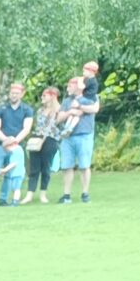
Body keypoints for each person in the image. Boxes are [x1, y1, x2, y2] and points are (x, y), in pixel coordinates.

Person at [55, 62, 102, 203]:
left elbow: (94, 109)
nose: (68, 88)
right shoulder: (66, 101)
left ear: (77, 86)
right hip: (68, 138)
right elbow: (58, 119)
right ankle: (66, 195)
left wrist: (80, 107)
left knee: (84, 166)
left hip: (84, 135)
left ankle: (85, 193)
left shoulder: (92, 97)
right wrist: (70, 111)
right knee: (66, 166)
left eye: (70, 86)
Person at [0, 82, 33, 206]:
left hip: (16, 147)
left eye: (17, 93)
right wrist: (5, 140)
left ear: (22, 94)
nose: (14, 95)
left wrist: (15, 141)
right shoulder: (1, 109)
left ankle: (3, 200)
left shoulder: (27, 110)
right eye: (12, 93)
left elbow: (26, 128)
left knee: (10, 174)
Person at [28, 87, 65, 197]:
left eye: (44, 95)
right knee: (34, 168)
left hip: (51, 140)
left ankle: (43, 194)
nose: (42, 97)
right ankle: (30, 194)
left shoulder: (60, 110)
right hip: (37, 139)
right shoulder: (40, 110)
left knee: (46, 168)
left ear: (52, 96)